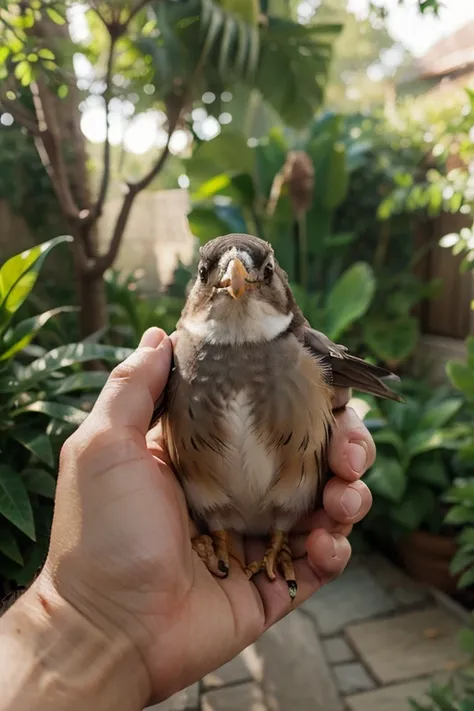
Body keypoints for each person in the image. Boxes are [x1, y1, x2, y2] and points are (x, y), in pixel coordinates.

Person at [0, 327, 374, 711]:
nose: (235, 282)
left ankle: (276, 542)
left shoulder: (296, 345)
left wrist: (90, 624)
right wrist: (92, 613)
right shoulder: (182, 353)